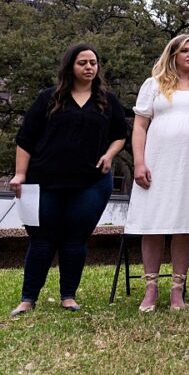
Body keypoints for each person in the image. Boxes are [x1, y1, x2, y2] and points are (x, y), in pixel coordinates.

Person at [9, 44, 127, 317]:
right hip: (44, 182)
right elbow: (25, 139)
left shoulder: (107, 101)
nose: (89, 67)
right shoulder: (48, 98)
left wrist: (110, 154)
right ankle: (27, 299)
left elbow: (120, 134)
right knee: (41, 241)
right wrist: (20, 174)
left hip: (91, 184)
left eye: (93, 63)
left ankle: (68, 297)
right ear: (70, 66)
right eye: (82, 63)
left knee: (76, 240)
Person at [124, 34, 189, 312]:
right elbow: (140, 126)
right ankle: (151, 289)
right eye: (184, 51)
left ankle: (177, 290)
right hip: (158, 163)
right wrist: (139, 162)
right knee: (154, 223)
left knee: (185, 224)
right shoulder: (153, 85)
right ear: (173, 55)